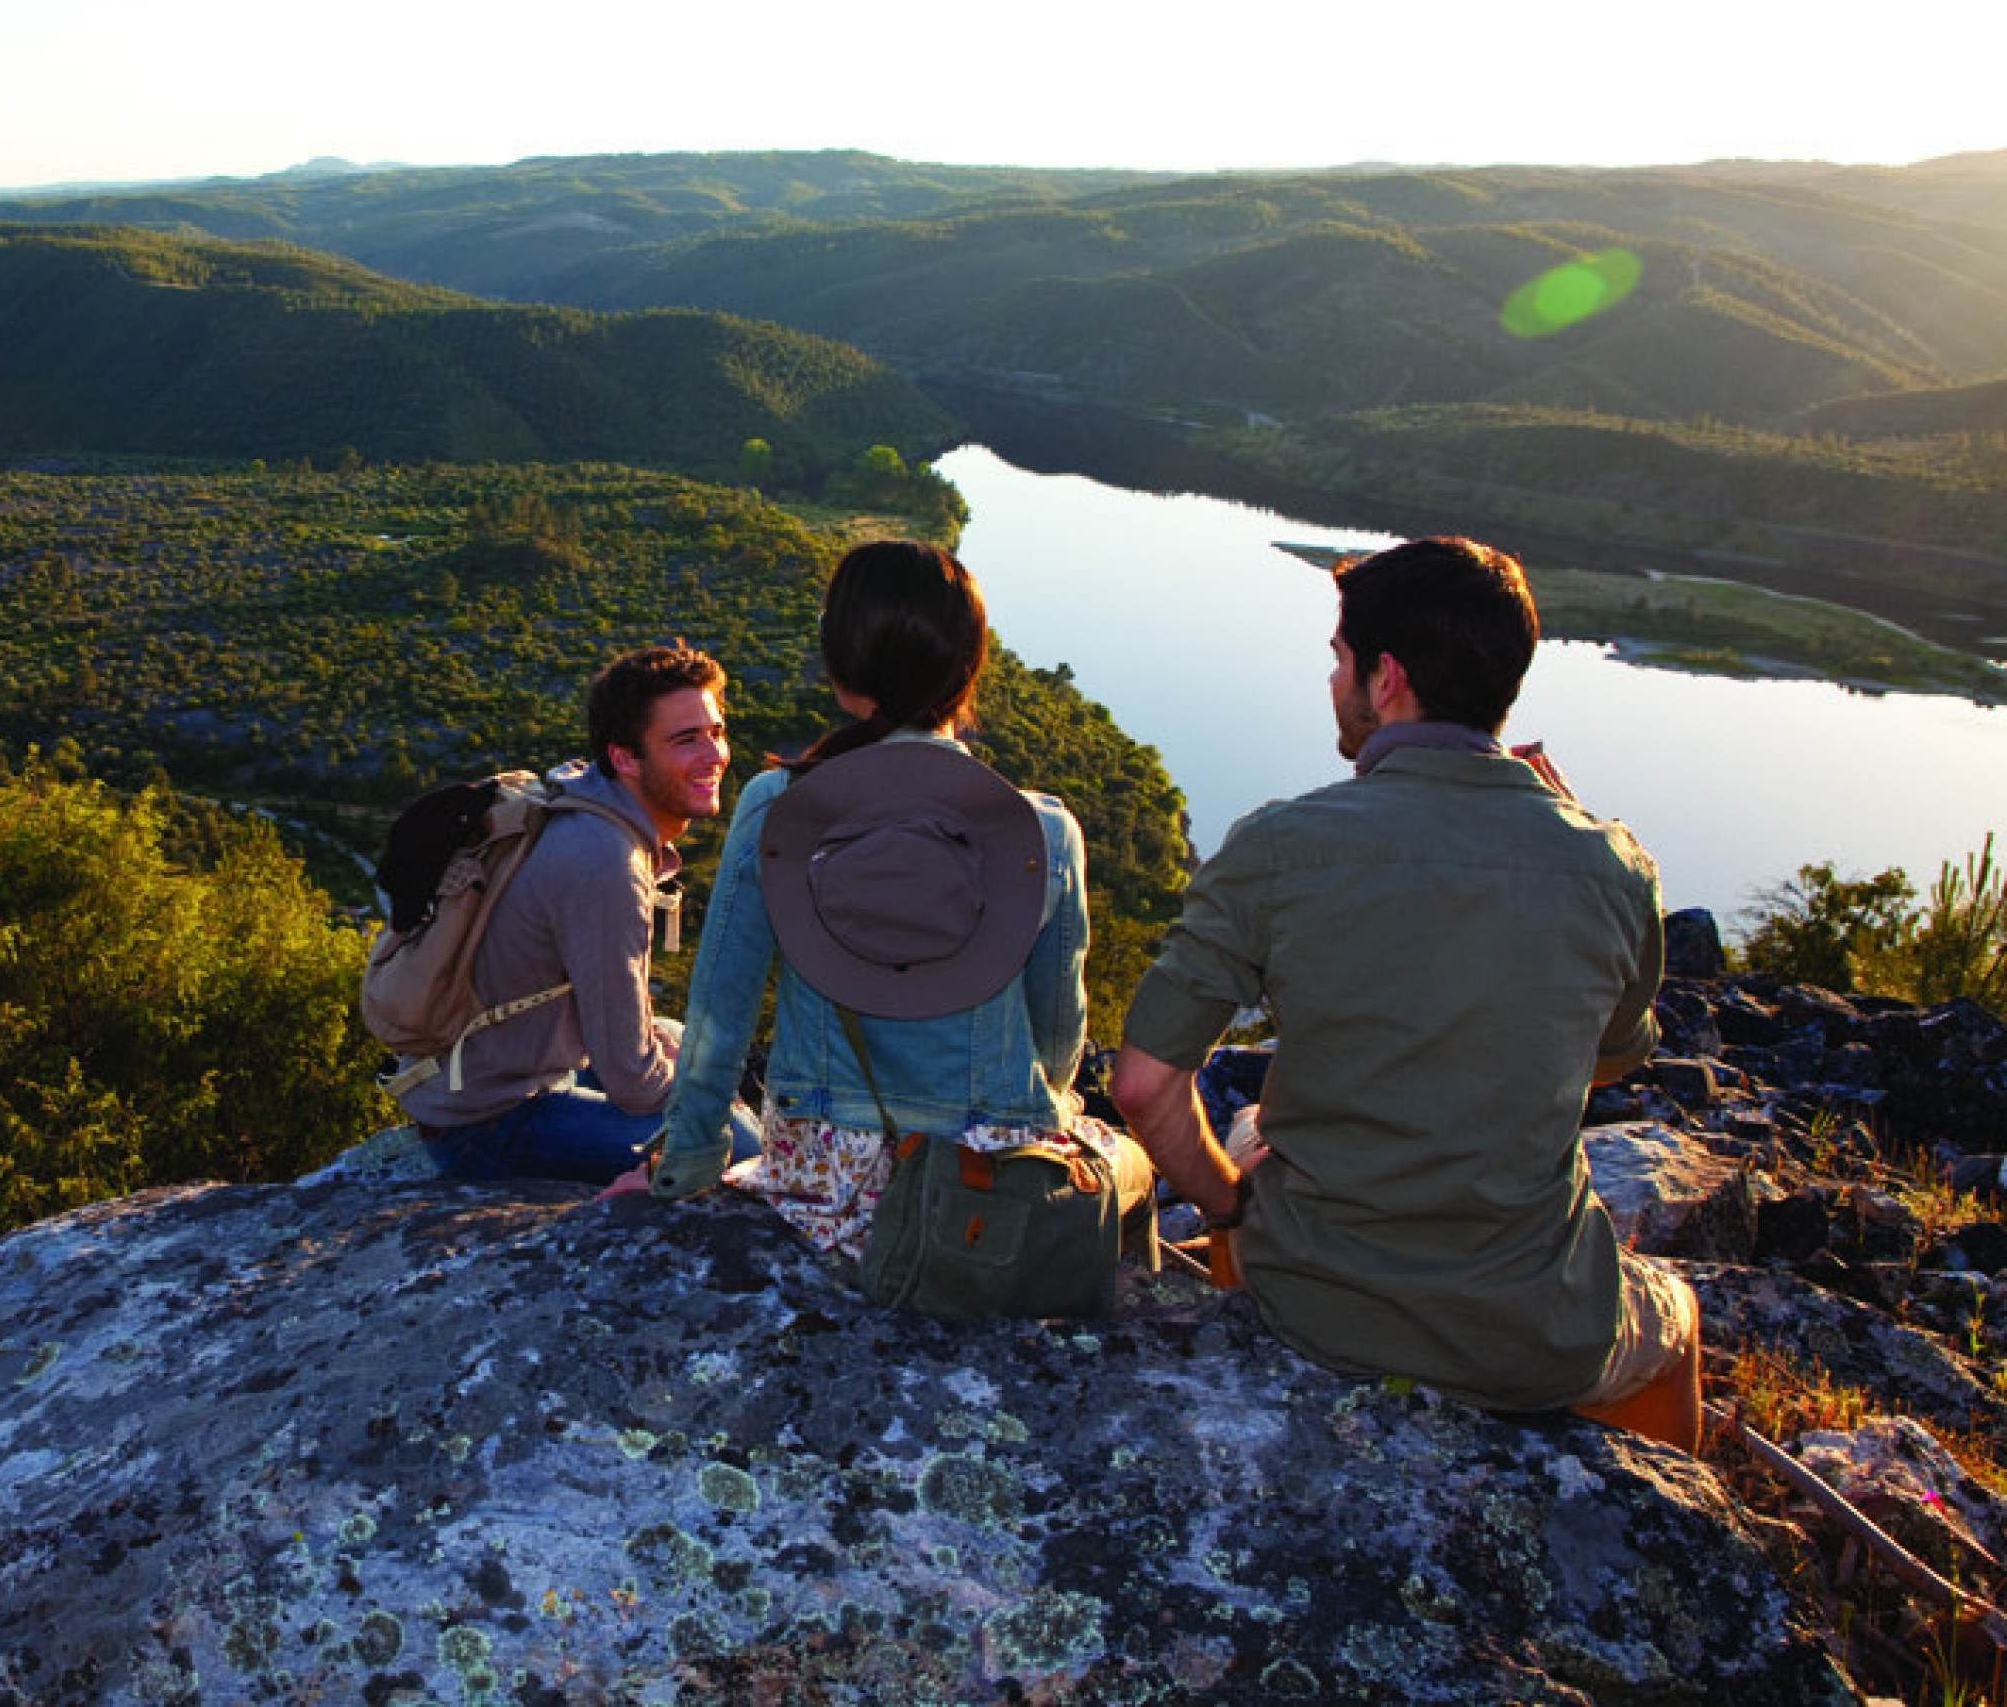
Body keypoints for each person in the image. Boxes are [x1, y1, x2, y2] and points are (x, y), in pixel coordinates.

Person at [1110, 536, 1698, 1446]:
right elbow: (1608, 1060)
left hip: (1313, 1305)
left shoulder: (1281, 845)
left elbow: (1145, 1085)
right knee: (1678, 1319)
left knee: (1251, 1132)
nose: (1333, 681)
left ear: (1386, 679)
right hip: (1528, 1328)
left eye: (1339, 660)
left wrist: (1227, 1206)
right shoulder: (1610, 867)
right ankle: (1656, 1528)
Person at [648, 541, 1152, 1281]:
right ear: (967, 665)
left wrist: (687, 1160)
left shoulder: (776, 807)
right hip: (981, 1203)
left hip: (820, 1190)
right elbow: (1055, 1034)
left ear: (843, 669)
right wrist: (1047, 1108)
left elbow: (719, 1011)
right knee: (1128, 1164)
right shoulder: (1042, 831)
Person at [402, 643, 761, 1184]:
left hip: (500, 1071)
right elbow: (633, 1082)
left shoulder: (582, 799)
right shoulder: (605, 860)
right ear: (624, 758)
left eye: (715, 731)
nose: (715, 755)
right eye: (686, 740)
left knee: (682, 1041)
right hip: (488, 1123)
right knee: (741, 1143)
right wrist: (708, 1101)